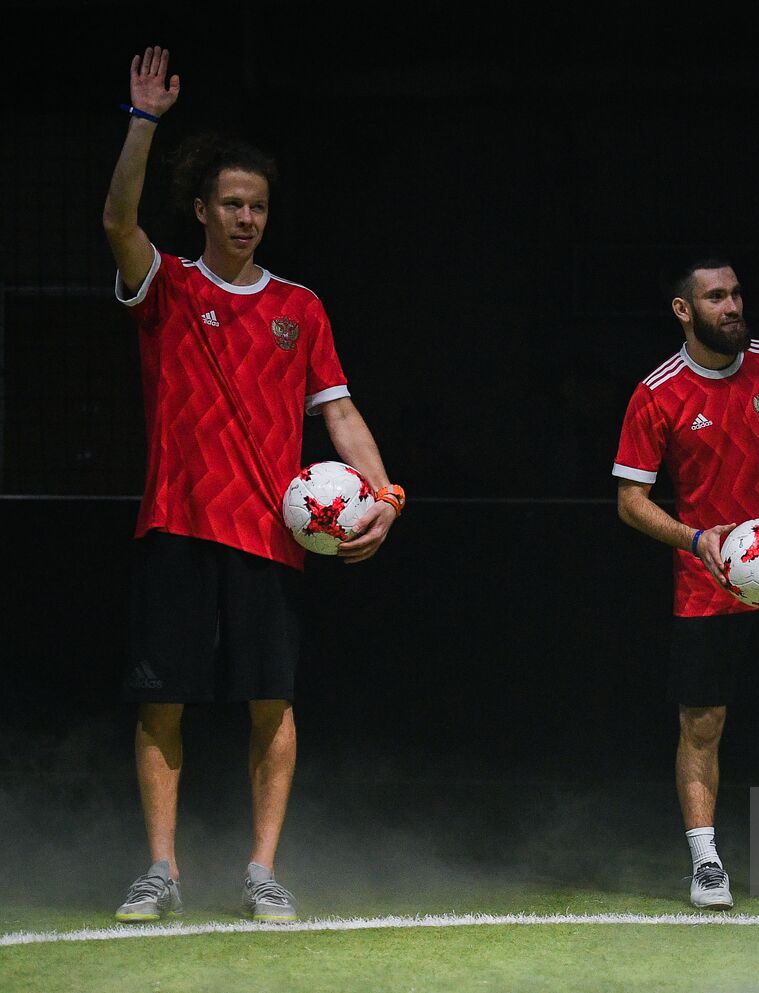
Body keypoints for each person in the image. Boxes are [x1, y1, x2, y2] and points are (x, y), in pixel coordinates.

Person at [103, 47, 405, 923]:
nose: (246, 218)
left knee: (273, 705)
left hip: (273, 536)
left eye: (258, 207)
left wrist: (385, 498)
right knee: (164, 701)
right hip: (177, 525)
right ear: (201, 209)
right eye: (232, 204)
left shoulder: (301, 307)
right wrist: (143, 123)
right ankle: (159, 869)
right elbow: (118, 217)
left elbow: (340, 416)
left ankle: (263, 868)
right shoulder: (166, 285)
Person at [613, 258, 759, 911]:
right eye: (716, 297)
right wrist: (694, 540)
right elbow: (631, 498)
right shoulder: (658, 392)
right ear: (684, 310)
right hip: (706, 581)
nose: (733, 305)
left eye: (737, 292)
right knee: (703, 721)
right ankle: (706, 863)